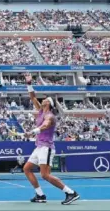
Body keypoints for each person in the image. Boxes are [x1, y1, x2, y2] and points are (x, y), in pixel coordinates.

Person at [22, 73, 79, 205]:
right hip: (39, 147)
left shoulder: (50, 116)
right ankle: (40, 195)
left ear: (48, 103)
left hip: (46, 148)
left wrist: (34, 130)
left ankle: (70, 192)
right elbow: (32, 97)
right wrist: (29, 84)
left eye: (45, 99)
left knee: (45, 175)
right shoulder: (41, 111)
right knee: (26, 168)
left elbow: (46, 124)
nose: (43, 100)